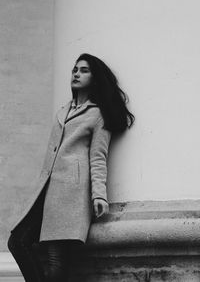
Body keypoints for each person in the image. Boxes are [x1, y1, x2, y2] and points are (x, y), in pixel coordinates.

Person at [7, 53, 135, 281]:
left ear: (95, 79)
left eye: (84, 70)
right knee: (18, 241)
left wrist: (99, 195)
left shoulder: (97, 114)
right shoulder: (63, 111)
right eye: (75, 70)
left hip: (70, 194)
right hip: (47, 191)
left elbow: (98, 157)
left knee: (56, 260)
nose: (76, 74)